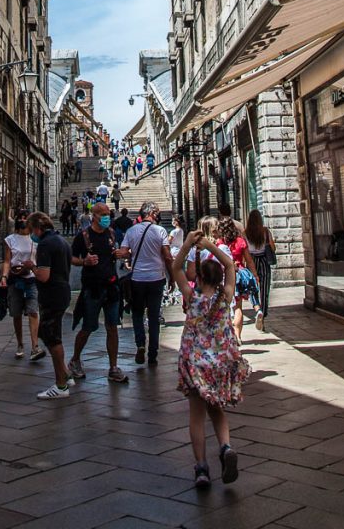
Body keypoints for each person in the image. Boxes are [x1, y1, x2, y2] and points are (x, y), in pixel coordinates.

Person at [173, 230, 249, 489]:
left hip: (196, 365)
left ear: (200, 278)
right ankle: (226, 447)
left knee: (196, 416)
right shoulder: (225, 297)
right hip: (219, 364)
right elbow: (229, 264)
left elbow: (175, 267)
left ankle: (202, 468)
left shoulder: (192, 298)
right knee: (217, 410)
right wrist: (209, 246)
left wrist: (187, 245)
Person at [68, 203, 128, 384]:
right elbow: (71, 258)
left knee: (112, 327)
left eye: (108, 214)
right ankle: (75, 359)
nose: (106, 217)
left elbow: (120, 250)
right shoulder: (83, 236)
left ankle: (113, 367)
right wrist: (84, 261)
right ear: (93, 216)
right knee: (88, 327)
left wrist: (120, 253)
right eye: (102, 214)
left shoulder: (111, 233)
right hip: (92, 288)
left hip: (111, 287)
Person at [119, 201, 173, 365]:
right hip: (156, 277)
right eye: (157, 213)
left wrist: (128, 259)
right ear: (152, 213)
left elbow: (124, 252)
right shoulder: (160, 231)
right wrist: (172, 277)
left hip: (137, 279)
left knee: (137, 314)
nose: (158, 215)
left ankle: (141, 344)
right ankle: (153, 354)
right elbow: (167, 256)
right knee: (154, 316)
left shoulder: (132, 231)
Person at [26, 212, 73, 399]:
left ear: (38, 228)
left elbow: (43, 275)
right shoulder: (61, 241)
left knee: (53, 338)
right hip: (62, 291)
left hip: (52, 294)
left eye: (31, 230)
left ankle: (61, 386)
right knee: (46, 333)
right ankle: (66, 374)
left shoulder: (45, 244)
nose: (31, 234)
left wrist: (31, 267)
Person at [0, 213, 46, 361]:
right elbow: (7, 260)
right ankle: (20, 344)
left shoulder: (36, 239)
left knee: (33, 311)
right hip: (15, 278)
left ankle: (35, 346)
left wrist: (35, 269)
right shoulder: (10, 240)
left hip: (31, 279)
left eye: (25, 218)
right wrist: (4, 276)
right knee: (16, 313)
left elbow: (39, 259)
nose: (23, 220)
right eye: (21, 217)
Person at [217, 218, 264, 342]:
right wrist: (254, 275)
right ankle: (238, 335)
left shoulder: (219, 243)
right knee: (238, 307)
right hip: (238, 276)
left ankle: (229, 335)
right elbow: (249, 260)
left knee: (225, 307)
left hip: (225, 276)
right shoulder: (241, 241)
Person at [244, 209, 276, 325]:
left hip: (251, 260)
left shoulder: (245, 233)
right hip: (264, 260)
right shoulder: (266, 231)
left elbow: (244, 249)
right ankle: (264, 313)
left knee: (252, 286)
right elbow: (273, 248)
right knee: (265, 288)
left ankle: (257, 309)